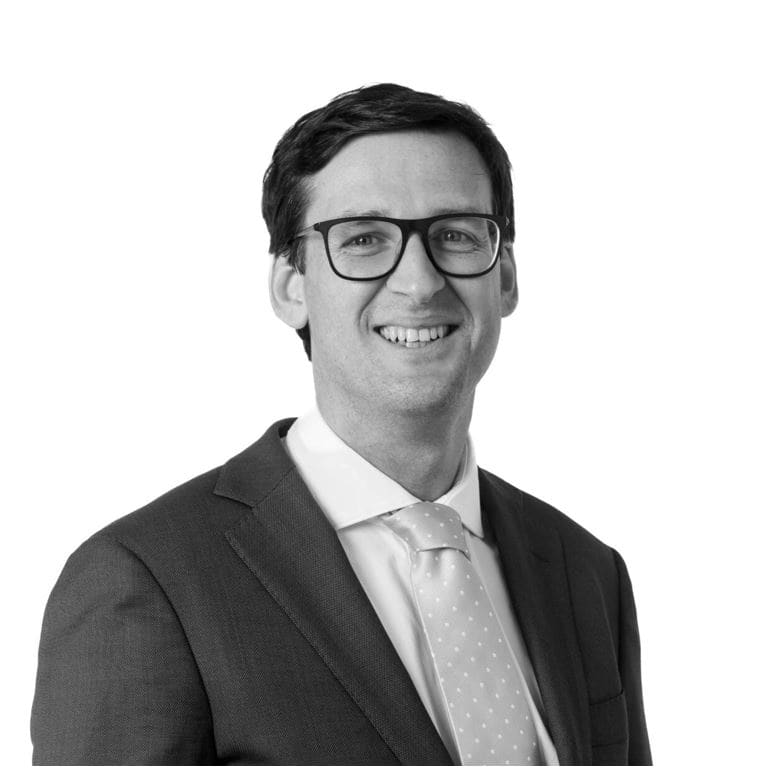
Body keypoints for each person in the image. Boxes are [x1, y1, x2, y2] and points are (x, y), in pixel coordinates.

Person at [31, 83, 651, 766]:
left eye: (455, 235)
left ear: (503, 277)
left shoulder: (587, 573)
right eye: (363, 239)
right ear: (290, 286)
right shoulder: (147, 581)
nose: (419, 283)